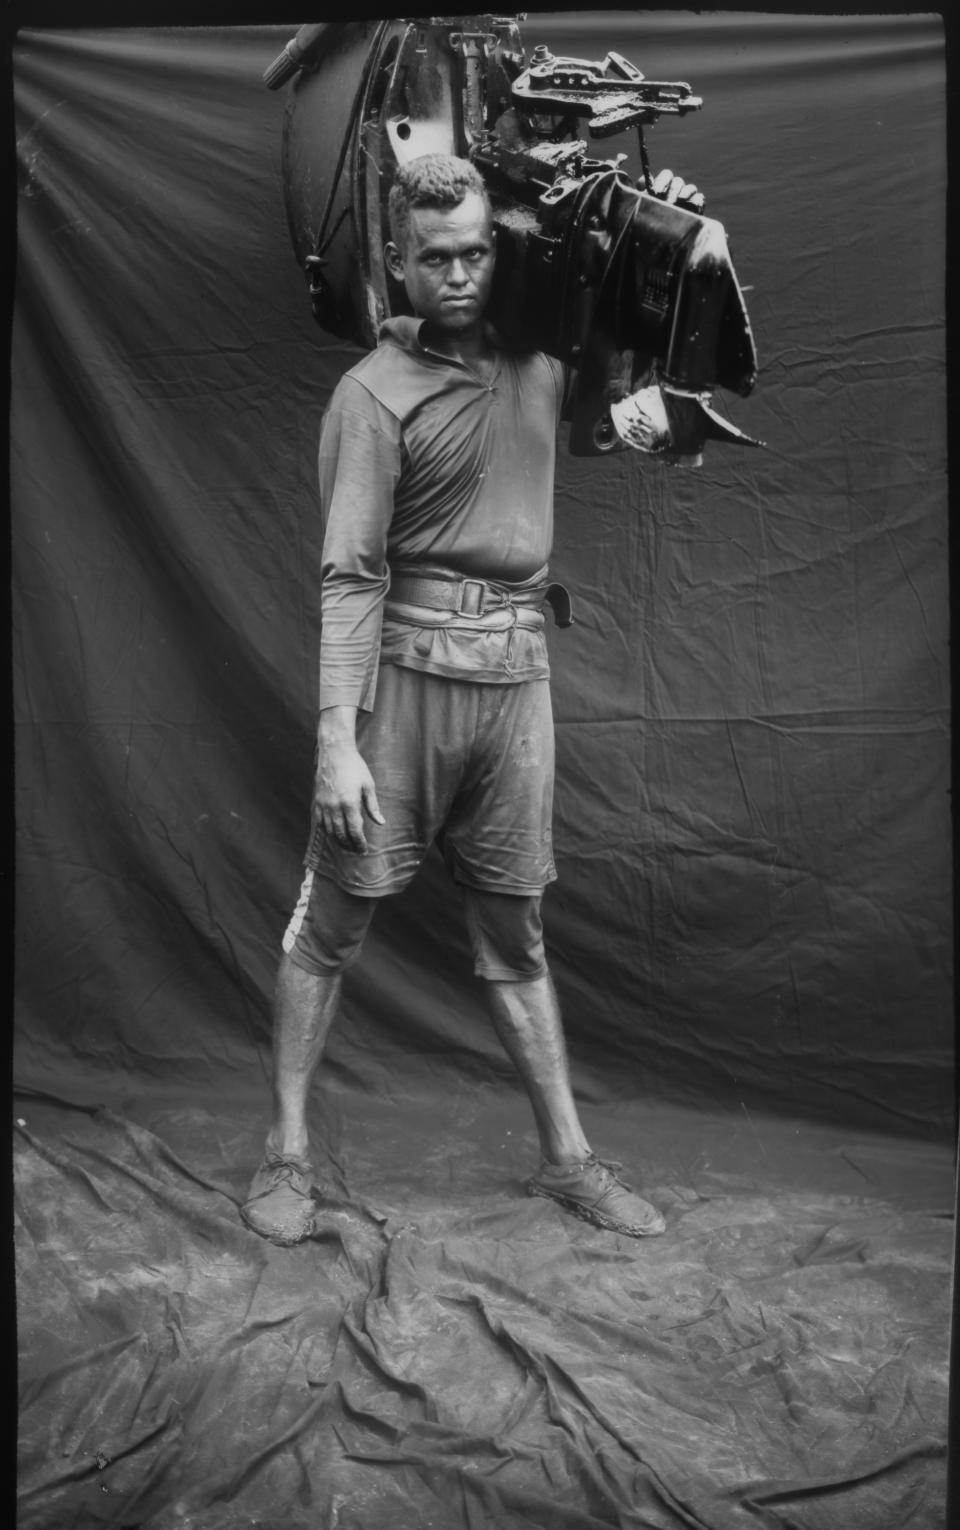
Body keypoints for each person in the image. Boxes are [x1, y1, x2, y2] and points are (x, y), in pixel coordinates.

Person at [241, 153, 670, 1247]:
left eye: (479, 251)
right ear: (399, 261)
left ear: (501, 246)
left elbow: (622, 395)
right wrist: (337, 742)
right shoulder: (373, 396)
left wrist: (645, 256)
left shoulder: (538, 366)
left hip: (517, 685)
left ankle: (570, 1160)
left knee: (517, 934)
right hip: (404, 691)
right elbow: (348, 575)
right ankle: (285, 1152)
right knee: (332, 923)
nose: (462, 274)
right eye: (436, 258)